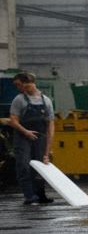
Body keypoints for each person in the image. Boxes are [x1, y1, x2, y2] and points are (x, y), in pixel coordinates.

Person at [8, 72, 55, 205]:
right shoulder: (19, 99)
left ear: (28, 84)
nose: (19, 88)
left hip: (40, 137)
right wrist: (26, 132)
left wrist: (47, 152)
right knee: (23, 165)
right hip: (23, 137)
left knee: (40, 166)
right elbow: (13, 121)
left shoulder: (46, 101)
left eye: (19, 85)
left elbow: (50, 127)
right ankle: (29, 196)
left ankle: (41, 195)